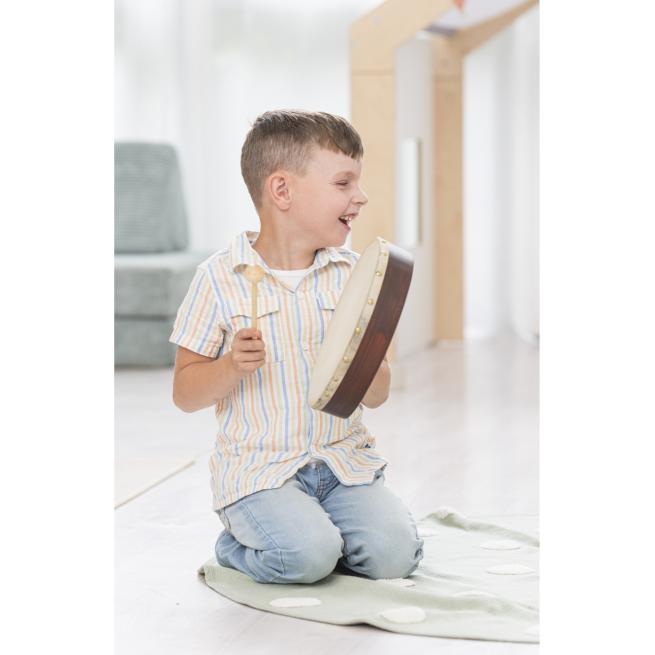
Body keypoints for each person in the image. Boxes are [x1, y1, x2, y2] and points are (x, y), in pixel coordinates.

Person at [169, 109, 424, 584]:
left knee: (395, 557)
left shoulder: (353, 275)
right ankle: (238, 548)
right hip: (260, 474)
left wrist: (363, 354)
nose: (361, 196)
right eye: (343, 183)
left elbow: (378, 394)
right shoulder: (218, 279)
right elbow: (185, 393)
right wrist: (230, 366)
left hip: (343, 466)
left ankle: (322, 537)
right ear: (282, 191)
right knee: (306, 557)